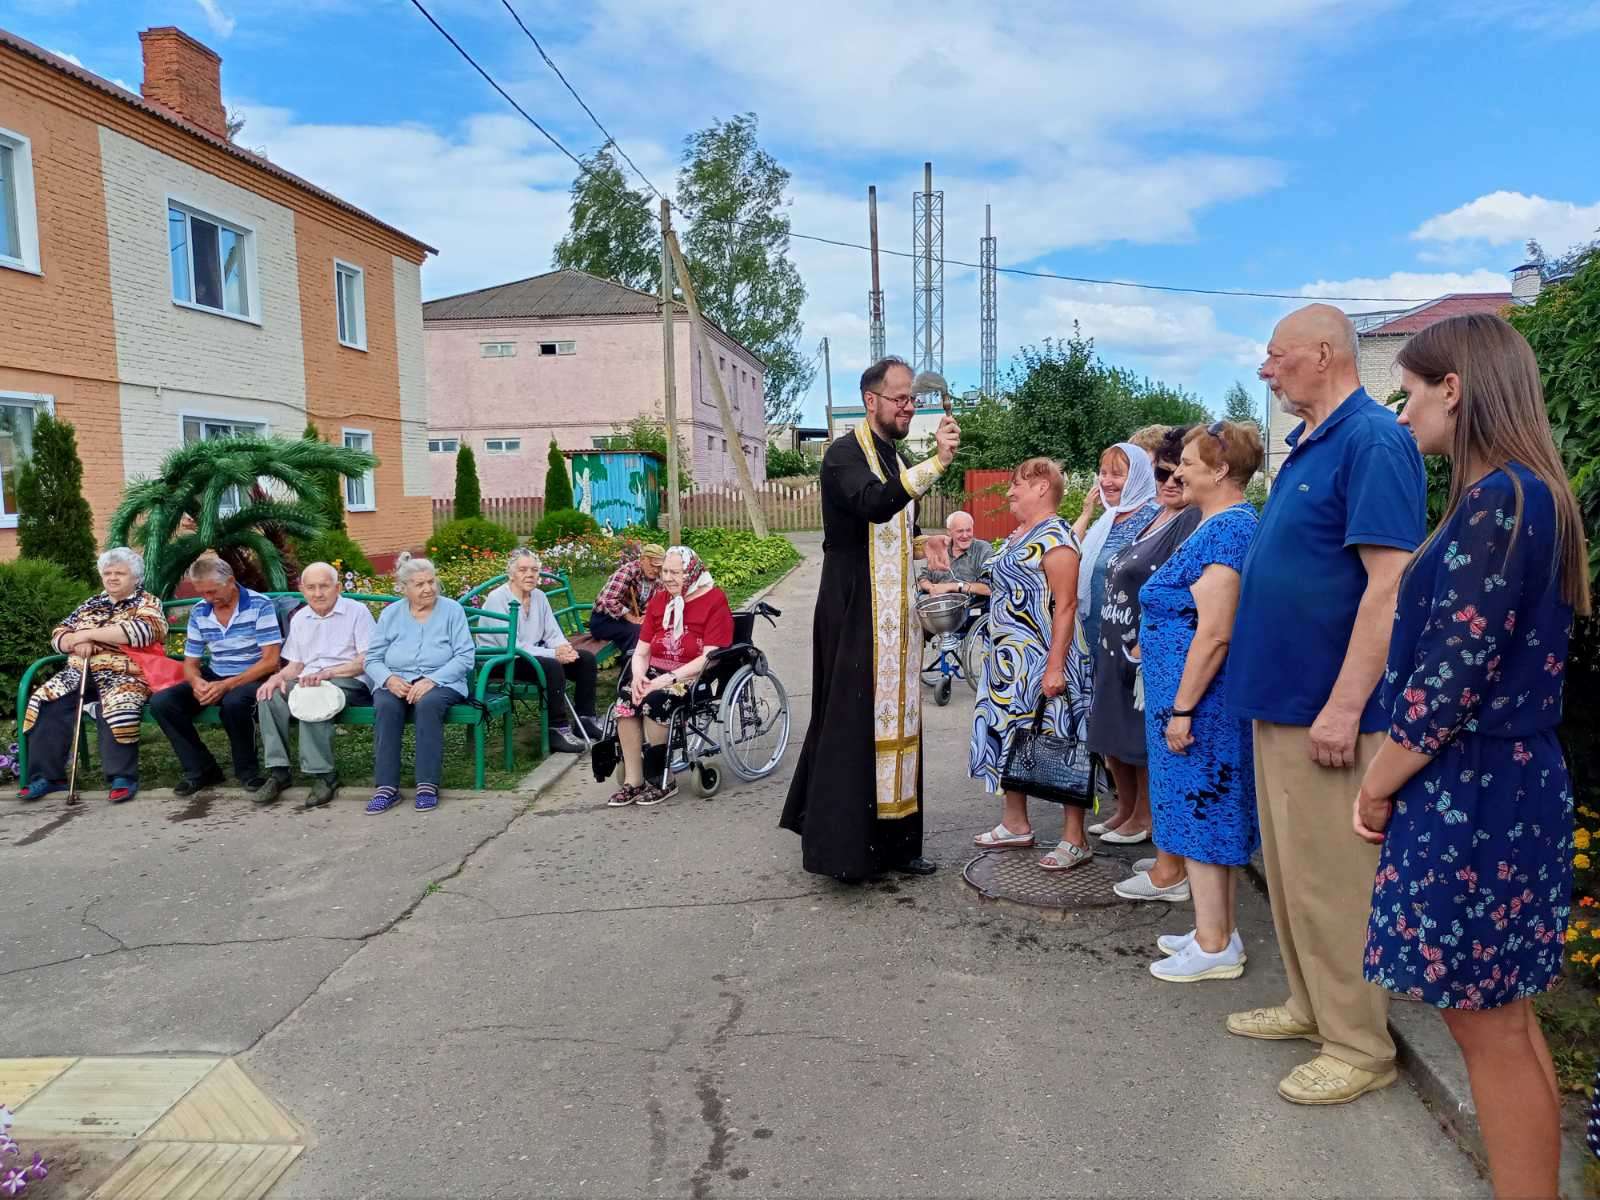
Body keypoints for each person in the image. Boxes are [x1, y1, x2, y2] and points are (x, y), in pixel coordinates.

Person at [1354, 313, 1585, 1198]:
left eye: (1410, 391)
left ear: (1453, 389)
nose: (1404, 411)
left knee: (1484, 1025)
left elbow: (1446, 682)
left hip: (1474, 789)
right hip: (1503, 782)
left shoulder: (1499, 501)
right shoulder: (1532, 495)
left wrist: (1377, 787)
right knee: (1502, 1018)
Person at [1227, 303, 1427, 1106]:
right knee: (1293, 874)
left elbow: (1389, 585)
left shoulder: (1373, 439)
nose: (1266, 370)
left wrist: (1345, 707)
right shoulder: (1313, 441)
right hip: (1283, 703)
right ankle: (1312, 1007)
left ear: (1322, 353)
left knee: (1337, 884)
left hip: (1328, 711)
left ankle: (1358, 1045)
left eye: (1276, 356)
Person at [780, 355, 960, 881]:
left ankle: (897, 845)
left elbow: (897, 524)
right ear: (870, 400)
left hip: (895, 612)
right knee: (852, 721)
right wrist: (937, 464)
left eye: (912, 399)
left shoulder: (893, 456)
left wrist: (925, 544)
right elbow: (874, 505)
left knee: (900, 720)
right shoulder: (843, 454)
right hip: (853, 604)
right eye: (900, 398)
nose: (909, 407)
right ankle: (847, 852)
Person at [1141, 422, 1263, 980]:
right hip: (1188, 701)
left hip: (1201, 708)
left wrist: (1183, 708)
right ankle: (1216, 931)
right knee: (1197, 813)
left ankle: (1214, 946)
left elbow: (1215, 632)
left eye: (1188, 463)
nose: (1178, 472)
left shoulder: (1229, 529)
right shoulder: (1213, 524)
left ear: (1220, 470)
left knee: (1202, 813)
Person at [1089, 425, 1203, 900]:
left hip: (1157, 653)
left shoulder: (1192, 520)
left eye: (1179, 472)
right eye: (1162, 473)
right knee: (1128, 739)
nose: (1170, 482)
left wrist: (1147, 641)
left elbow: (1189, 593)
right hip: (1121, 642)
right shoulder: (1158, 517)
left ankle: (1171, 863)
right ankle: (1166, 857)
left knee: (1159, 752)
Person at [968, 458, 1093, 870]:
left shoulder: (1057, 538)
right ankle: (1015, 823)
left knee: (1061, 741)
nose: (1009, 492)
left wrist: (1055, 666)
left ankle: (1075, 838)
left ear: (1042, 487)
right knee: (1010, 735)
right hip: (1010, 663)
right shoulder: (1023, 535)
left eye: (1016, 485)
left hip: (1044, 658)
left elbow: (1066, 605)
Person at [19, 548, 168, 804]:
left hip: (125, 674)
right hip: (79, 672)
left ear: (136, 578)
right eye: (107, 573)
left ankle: (122, 777)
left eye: (120, 573)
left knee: (118, 704)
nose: (112, 578)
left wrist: (88, 635)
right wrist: (74, 642)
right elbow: (59, 634)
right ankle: (47, 777)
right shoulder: (91, 604)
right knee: (44, 700)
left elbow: (145, 630)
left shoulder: (147, 602)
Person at [1073, 442, 1159, 840]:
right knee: (1107, 726)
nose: (1107, 481)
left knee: (1133, 730)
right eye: (1104, 472)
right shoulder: (1106, 519)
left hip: (1132, 640)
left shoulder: (1152, 520)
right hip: (1097, 634)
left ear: (1138, 477)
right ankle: (1124, 809)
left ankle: (1144, 814)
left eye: (1117, 474)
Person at [609, 545, 735, 808]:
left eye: (675, 573)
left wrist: (667, 679)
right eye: (665, 571)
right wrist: (638, 677)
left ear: (692, 572)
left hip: (694, 675)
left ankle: (662, 781)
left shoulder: (714, 600)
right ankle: (634, 780)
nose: (667, 578)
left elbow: (710, 656)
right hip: (657, 671)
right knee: (626, 699)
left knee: (655, 701)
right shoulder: (660, 600)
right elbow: (641, 651)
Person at [149, 555, 283, 795]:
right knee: (163, 703)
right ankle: (202, 769)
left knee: (234, 703)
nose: (208, 598)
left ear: (230, 581)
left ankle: (248, 773)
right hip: (216, 674)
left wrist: (227, 685)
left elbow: (271, 661)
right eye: (202, 593)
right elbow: (191, 663)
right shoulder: (200, 611)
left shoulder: (259, 605)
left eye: (212, 591)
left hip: (255, 676)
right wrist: (196, 682)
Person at [251, 562, 375, 808]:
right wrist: (277, 678)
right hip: (309, 680)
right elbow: (296, 664)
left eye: (324, 586)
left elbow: (365, 661)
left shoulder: (357, 612)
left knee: (313, 695)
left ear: (337, 587)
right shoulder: (300, 618)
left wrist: (328, 673)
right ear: (302, 589)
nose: (318, 593)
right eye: (311, 587)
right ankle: (279, 771)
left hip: (349, 681)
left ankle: (325, 776)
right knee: (270, 694)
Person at [363, 553, 475, 814]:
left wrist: (432, 680)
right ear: (404, 588)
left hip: (443, 681)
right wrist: (389, 679)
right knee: (386, 706)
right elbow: (372, 659)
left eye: (431, 582)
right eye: (419, 584)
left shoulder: (452, 610)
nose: (428, 589)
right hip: (397, 681)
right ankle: (386, 787)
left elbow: (465, 657)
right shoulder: (391, 614)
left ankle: (427, 784)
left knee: (428, 704)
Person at [480, 548, 601, 755]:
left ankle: (585, 719)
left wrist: (565, 649)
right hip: (502, 661)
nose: (530, 575)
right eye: (523, 570)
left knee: (585, 659)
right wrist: (554, 654)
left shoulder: (539, 596)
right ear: (511, 573)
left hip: (532, 656)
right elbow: (514, 646)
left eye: (534, 570)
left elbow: (552, 632)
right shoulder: (497, 599)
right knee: (552, 666)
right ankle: (557, 729)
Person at [589, 543, 666, 656]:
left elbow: (659, 601)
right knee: (637, 631)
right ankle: (631, 665)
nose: (655, 570)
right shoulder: (627, 571)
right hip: (605, 620)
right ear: (642, 559)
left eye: (659, 567)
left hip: (630, 619)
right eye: (652, 565)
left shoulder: (658, 577)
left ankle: (653, 662)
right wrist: (631, 618)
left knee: (658, 628)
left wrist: (647, 615)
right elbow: (608, 600)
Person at [917, 511, 992, 609]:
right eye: (960, 531)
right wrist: (931, 588)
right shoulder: (941, 549)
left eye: (968, 530)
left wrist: (950, 586)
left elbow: (989, 588)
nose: (965, 535)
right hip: (941, 609)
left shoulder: (982, 549)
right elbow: (923, 578)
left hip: (972, 611)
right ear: (949, 532)